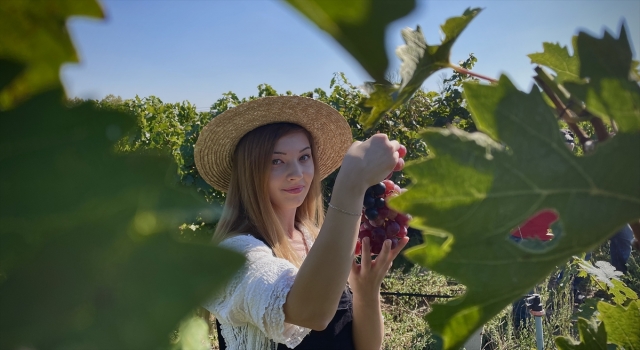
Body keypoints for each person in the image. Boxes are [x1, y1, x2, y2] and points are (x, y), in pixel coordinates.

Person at [195, 96, 409, 349]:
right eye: (277, 161)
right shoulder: (234, 256)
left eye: (304, 157)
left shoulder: (315, 239)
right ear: (249, 173)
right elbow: (311, 314)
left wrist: (365, 290)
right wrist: (351, 185)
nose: (296, 173)